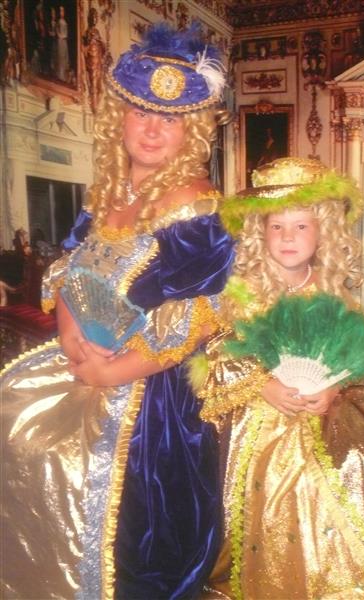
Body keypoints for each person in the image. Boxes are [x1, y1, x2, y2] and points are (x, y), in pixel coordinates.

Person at [1, 22, 234, 599]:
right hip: (84, 361)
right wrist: (69, 336)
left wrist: (109, 373)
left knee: (134, 539)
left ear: (191, 131)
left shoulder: (197, 206)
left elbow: (198, 316)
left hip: (152, 398)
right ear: (118, 118)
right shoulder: (107, 195)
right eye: (141, 112)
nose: (152, 130)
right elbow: (68, 273)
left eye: (170, 119)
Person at [188, 157, 364, 600]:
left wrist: (334, 387)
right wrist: (264, 384)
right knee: (292, 486)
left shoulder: (328, 287)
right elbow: (213, 352)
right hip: (260, 417)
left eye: (301, 226)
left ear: (323, 231)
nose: (288, 237)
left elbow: (354, 353)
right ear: (260, 231)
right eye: (277, 226)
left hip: (327, 408)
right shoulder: (242, 289)